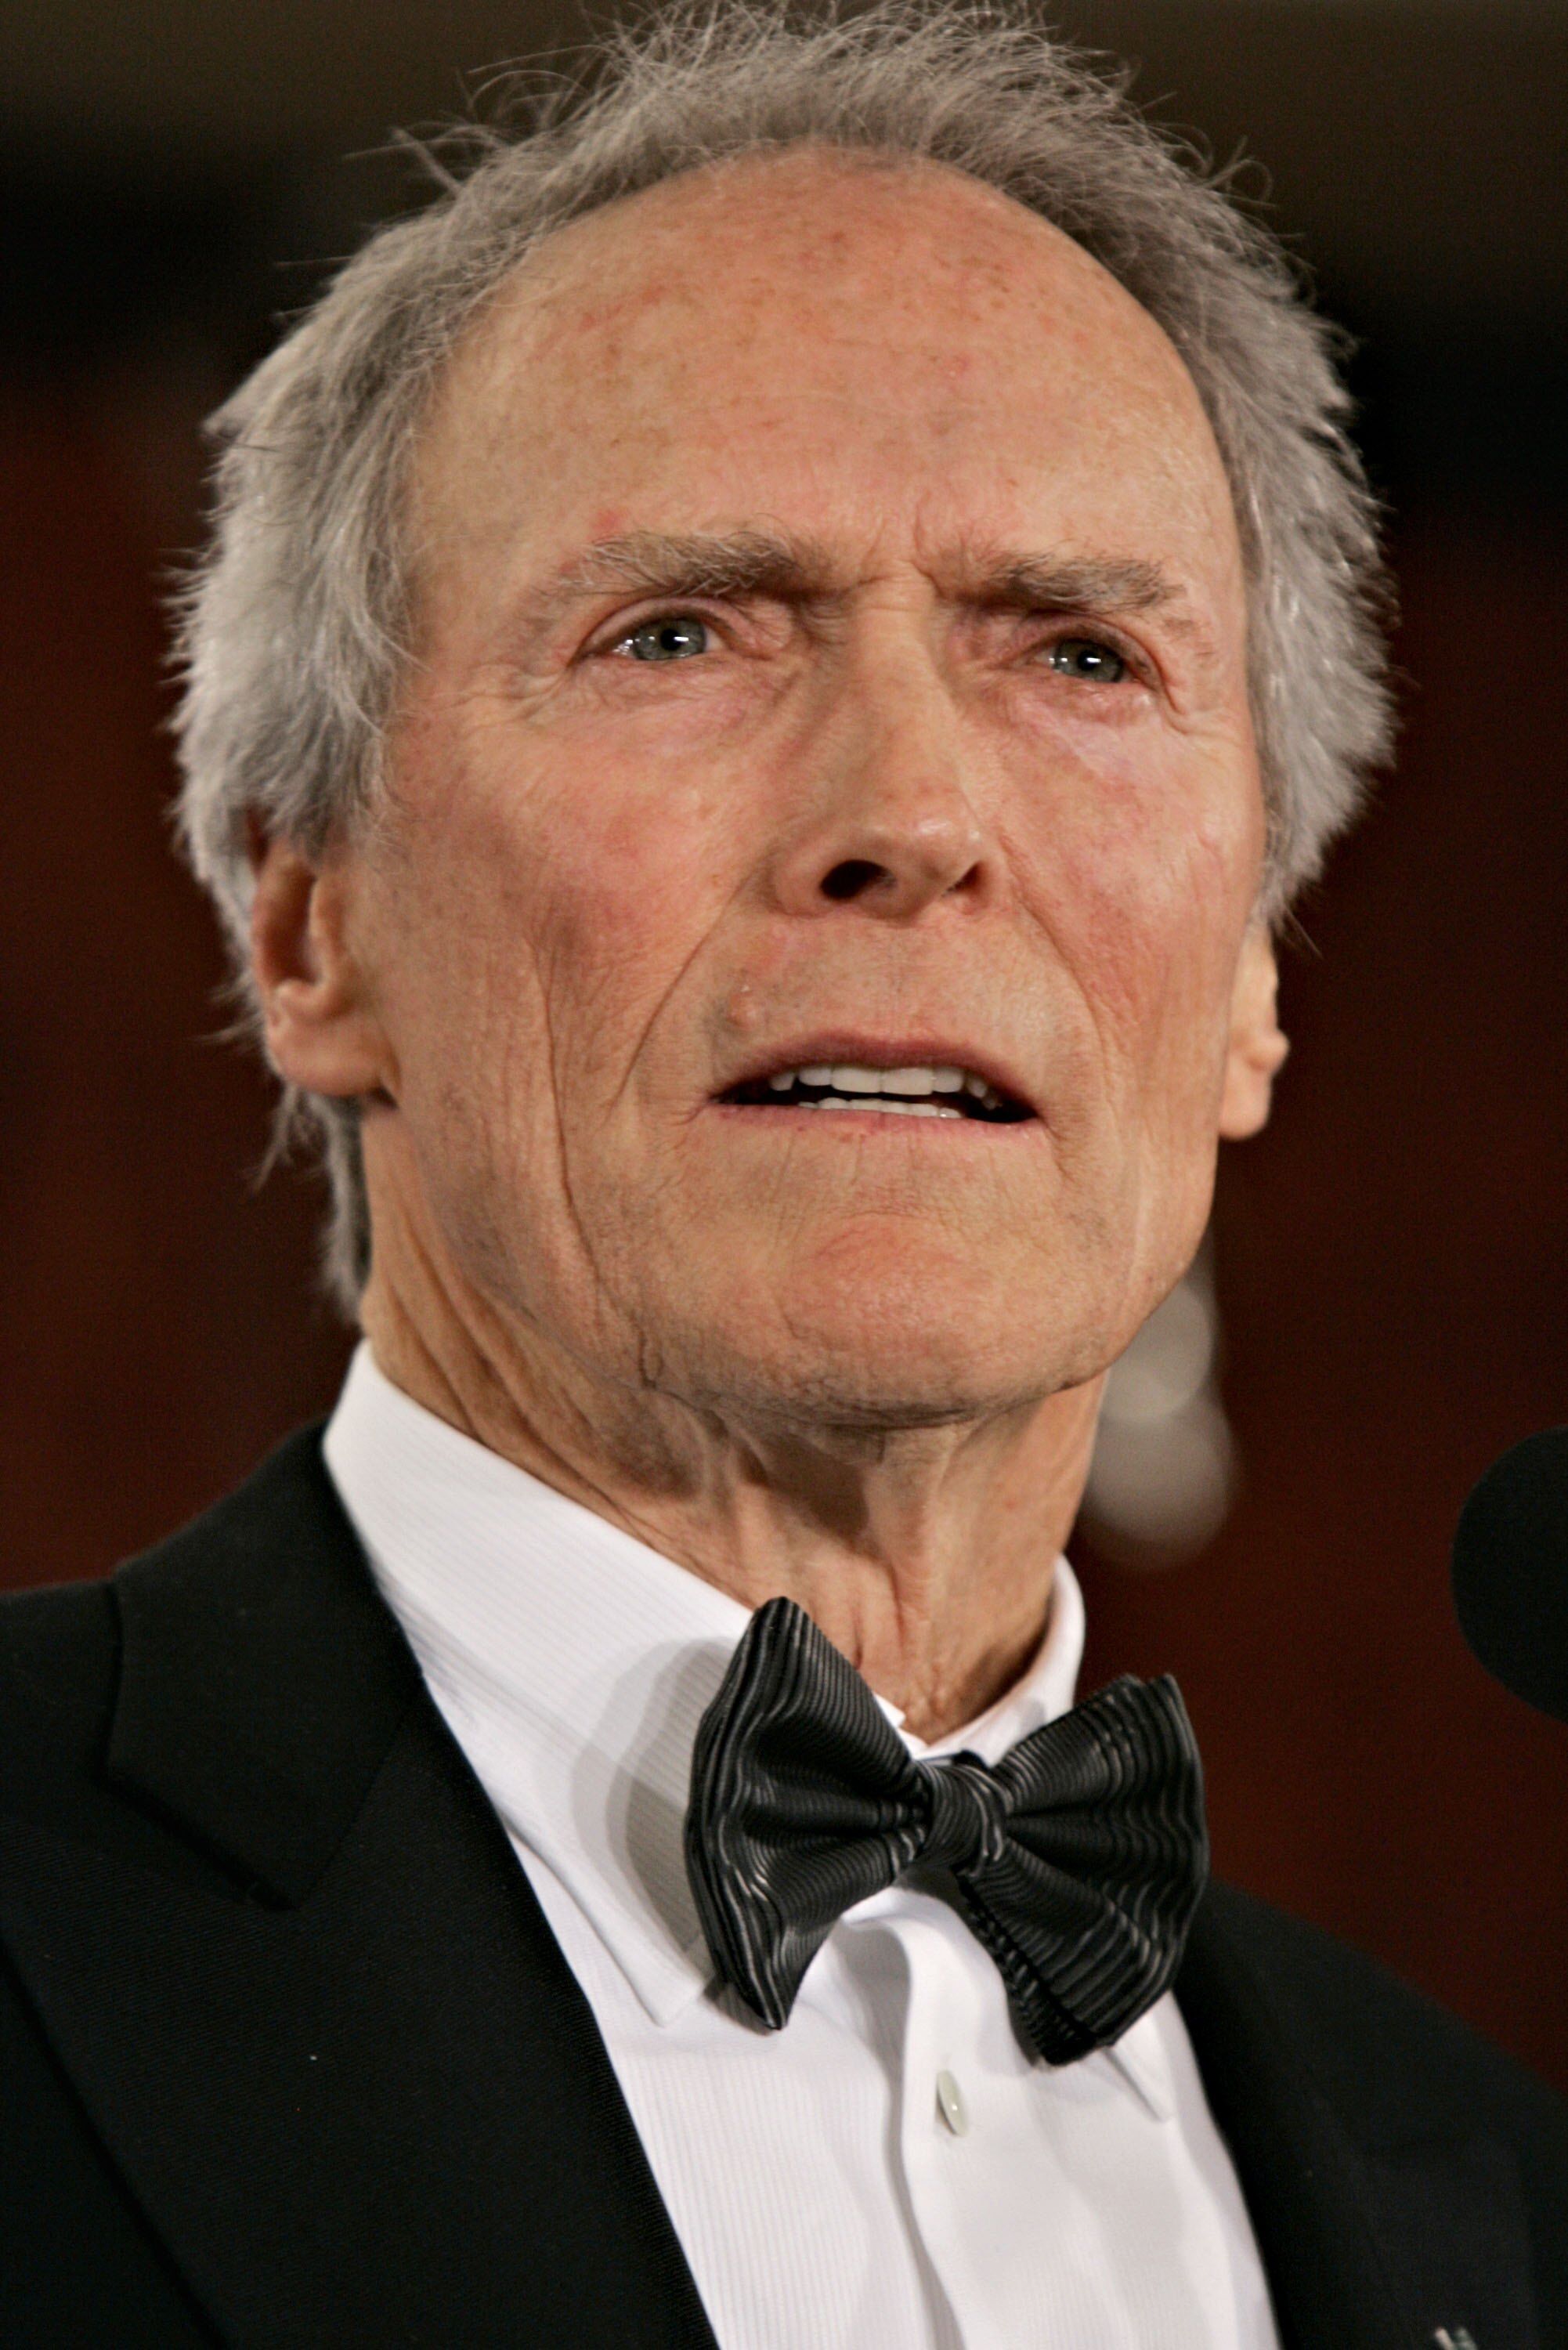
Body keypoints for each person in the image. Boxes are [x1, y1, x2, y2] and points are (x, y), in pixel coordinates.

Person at [3, 7, 1563, 2345]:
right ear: (310, 925)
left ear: (1249, 976)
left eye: (1074, 649)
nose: (912, 819)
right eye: (678, 632)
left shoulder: (1501, 2193)